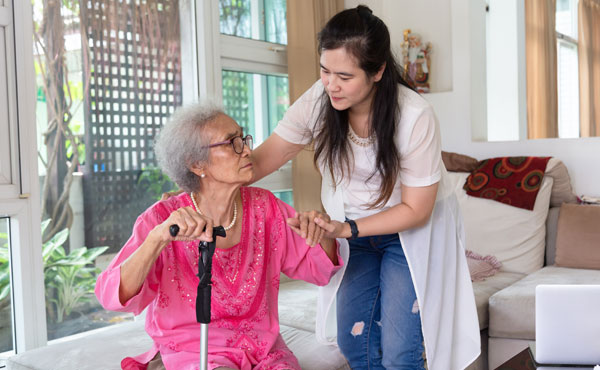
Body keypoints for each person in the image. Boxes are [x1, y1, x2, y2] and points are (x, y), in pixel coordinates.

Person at [250, 5, 480, 370]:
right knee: (354, 342)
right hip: (354, 232)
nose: (331, 84)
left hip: (410, 234)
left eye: (344, 75)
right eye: (325, 71)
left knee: (400, 352)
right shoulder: (318, 100)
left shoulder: (414, 115)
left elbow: (416, 210)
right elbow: (263, 159)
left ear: (378, 71)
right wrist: (204, 180)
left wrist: (346, 229)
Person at [95, 103, 342, 370]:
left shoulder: (266, 207)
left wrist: (321, 231)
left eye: (243, 138)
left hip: (263, 353)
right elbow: (112, 297)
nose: (247, 149)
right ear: (196, 163)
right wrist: (158, 238)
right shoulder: (161, 219)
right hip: (194, 352)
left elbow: (319, 270)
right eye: (232, 143)